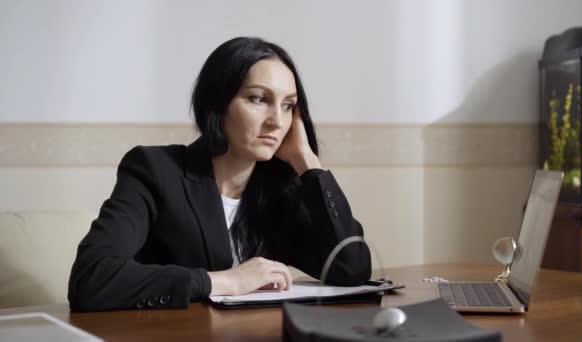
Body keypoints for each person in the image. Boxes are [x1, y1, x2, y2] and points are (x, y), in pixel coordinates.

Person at [68, 37, 371, 312]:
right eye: (258, 99)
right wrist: (221, 281)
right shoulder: (154, 169)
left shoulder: (277, 192)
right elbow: (92, 279)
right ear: (217, 102)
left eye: (288, 105)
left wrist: (308, 163)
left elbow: (351, 267)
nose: (277, 121)